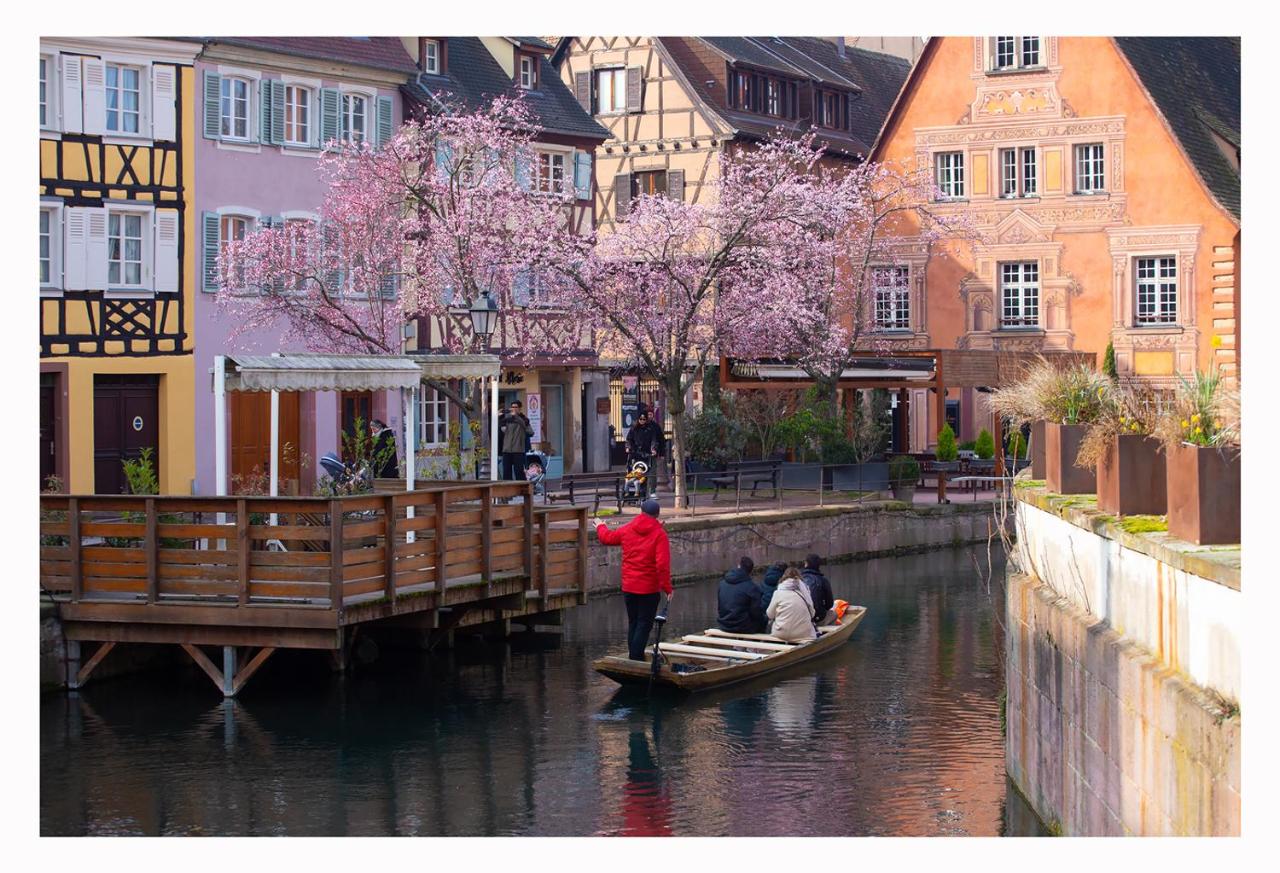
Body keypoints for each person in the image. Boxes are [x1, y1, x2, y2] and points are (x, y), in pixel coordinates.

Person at [594, 498, 672, 661]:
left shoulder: (628, 529)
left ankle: (633, 656)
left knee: (634, 622)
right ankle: (636, 658)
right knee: (644, 624)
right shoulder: (660, 535)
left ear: (641, 512)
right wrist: (667, 588)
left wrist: (600, 526)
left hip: (629, 586)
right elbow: (662, 565)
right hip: (648, 588)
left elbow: (607, 538)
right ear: (657, 515)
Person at [766, 566, 817, 642]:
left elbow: (769, 614)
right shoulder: (805, 592)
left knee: (769, 625)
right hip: (803, 634)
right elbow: (812, 614)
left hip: (781, 633)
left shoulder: (778, 592)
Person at [717, 556, 766, 634]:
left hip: (724, 624)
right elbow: (756, 613)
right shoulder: (752, 587)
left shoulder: (722, 583)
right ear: (750, 571)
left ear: (738, 566)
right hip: (743, 627)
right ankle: (755, 644)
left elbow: (720, 607)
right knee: (763, 620)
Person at [625, 413, 664, 496]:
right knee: (634, 472)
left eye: (644, 419)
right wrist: (628, 447)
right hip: (636, 454)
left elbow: (654, 440)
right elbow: (629, 439)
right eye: (641, 419)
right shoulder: (634, 428)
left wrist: (653, 449)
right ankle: (629, 491)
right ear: (638, 419)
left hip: (647, 454)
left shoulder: (650, 429)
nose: (642, 421)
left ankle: (650, 491)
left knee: (649, 473)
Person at [499, 400, 533, 482]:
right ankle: (507, 492)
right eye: (512, 407)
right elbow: (502, 430)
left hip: (518, 450)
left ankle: (521, 490)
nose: (513, 409)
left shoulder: (524, 420)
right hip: (506, 450)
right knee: (506, 472)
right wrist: (499, 417)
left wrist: (517, 417)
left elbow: (530, 432)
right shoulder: (507, 419)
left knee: (519, 472)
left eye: (515, 407)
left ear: (520, 409)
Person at [800, 553, 835, 627]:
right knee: (834, 614)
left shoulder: (798, 579)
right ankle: (825, 632)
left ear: (806, 564)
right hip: (817, 618)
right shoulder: (823, 580)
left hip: (800, 619)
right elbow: (829, 604)